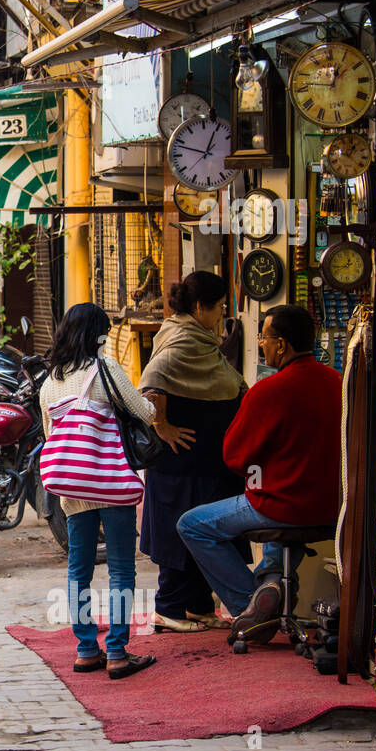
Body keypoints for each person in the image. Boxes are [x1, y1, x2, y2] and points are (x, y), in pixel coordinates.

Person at [177, 304, 342, 644]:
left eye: (264, 338)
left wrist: (259, 467)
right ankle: (270, 584)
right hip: (328, 507)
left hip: (277, 503)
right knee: (283, 529)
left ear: (281, 344)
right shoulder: (338, 382)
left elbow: (235, 456)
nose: (262, 345)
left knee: (192, 525)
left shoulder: (268, 390)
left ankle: (249, 605)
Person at [39, 303, 158, 680]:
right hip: (110, 484)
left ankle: (87, 650)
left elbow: (51, 437)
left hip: (73, 491)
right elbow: (145, 412)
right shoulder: (104, 370)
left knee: (79, 571)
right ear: (97, 335)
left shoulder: (49, 383)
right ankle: (119, 653)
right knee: (121, 570)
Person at [137, 272, 246, 634]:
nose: (220, 314)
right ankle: (169, 609)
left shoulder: (195, 335)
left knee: (206, 533)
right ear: (201, 306)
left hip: (206, 461)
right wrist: (162, 426)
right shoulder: (183, 340)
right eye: (218, 307)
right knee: (178, 535)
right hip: (182, 462)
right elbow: (152, 382)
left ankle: (198, 607)